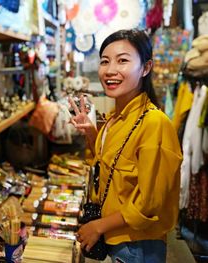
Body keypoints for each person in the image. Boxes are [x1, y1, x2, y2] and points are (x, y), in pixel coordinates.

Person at [69, 29, 182, 262]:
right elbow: (110, 167)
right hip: (117, 238)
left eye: (122, 60)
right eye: (104, 61)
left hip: (137, 244)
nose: (110, 70)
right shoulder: (116, 116)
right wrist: (92, 134)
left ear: (146, 68)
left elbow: (149, 205)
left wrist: (99, 226)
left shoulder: (154, 123)